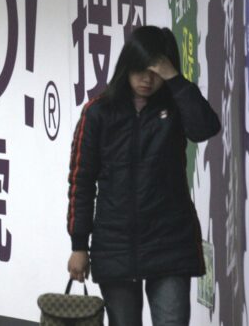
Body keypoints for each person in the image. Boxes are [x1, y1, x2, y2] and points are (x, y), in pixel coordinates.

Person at [66, 26, 221, 326]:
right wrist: (79, 245)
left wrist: (175, 79)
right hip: (115, 245)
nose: (147, 80)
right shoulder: (98, 112)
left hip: (170, 242)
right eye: (140, 70)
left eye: (156, 72)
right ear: (127, 66)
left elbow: (205, 128)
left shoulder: (176, 106)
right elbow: (81, 183)